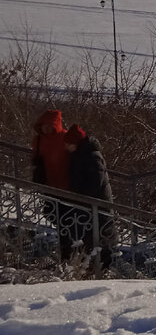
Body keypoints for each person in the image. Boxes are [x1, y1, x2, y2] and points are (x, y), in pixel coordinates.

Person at [64, 125, 116, 269]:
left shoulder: (92, 157)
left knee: (100, 239)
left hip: (98, 206)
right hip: (89, 207)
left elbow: (95, 182)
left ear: (76, 143)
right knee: (92, 238)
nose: (66, 146)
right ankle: (94, 268)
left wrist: (79, 195)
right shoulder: (80, 155)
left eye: (68, 143)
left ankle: (102, 269)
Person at [31, 109, 72, 259]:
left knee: (66, 220)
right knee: (52, 213)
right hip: (48, 185)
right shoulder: (39, 139)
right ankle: (66, 250)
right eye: (44, 125)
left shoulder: (65, 137)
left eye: (50, 125)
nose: (46, 128)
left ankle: (67, 251)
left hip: (66, 186)